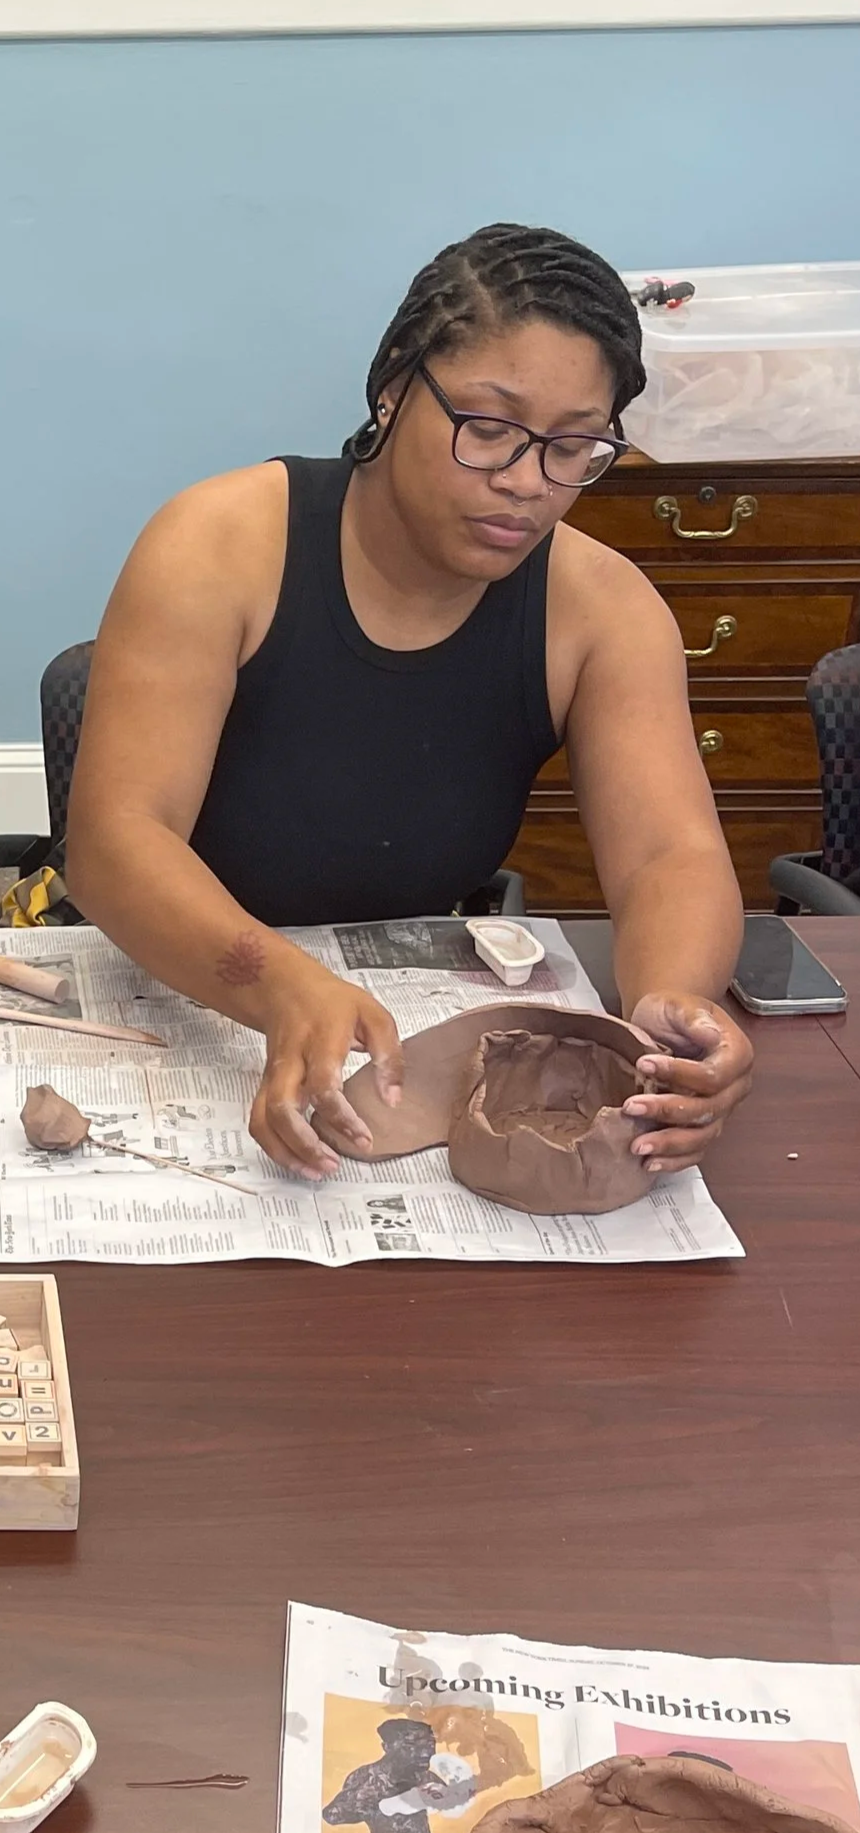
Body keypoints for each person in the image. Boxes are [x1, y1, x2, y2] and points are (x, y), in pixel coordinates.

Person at [66, 223, 753, 1179]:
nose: (525, 482)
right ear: (393, 388)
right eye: (488, 428)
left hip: (404, 1013)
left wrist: (675, 1006)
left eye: (573, 447)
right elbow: (114, 842)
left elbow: (668, 855)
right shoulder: (217, 545)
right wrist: (281, 985)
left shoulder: (603, 610)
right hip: (170, 987)